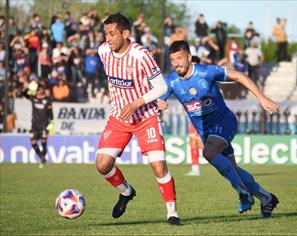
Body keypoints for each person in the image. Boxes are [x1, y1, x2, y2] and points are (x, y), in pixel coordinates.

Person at [158, 40, 280, 217]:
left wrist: (262, 98)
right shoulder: (171, 80)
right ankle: (267, 198)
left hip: (225, 122)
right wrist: (159, 104)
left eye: (179, 58)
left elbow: (240, 76)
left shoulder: (206, 72)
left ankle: (243, 193)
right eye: (172, 60)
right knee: (233, 169)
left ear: (189, 58)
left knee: (208, 153)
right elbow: (158, 99)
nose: (176, 63)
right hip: (208, 132)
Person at [96, 13, 181, 225]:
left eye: (112, 33)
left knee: (158, 166)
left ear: (126, 33)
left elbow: (161, 87)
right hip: (119, 117)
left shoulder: (141, 55)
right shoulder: (103, 51)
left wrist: (135, 103)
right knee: (102, 165)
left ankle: (172, 213)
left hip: (145, 117)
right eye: (106, 33)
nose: (108, 38)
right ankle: (126, 192)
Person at [23, 81, 54, 168]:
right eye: (37, 89)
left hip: (44, 125)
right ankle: (42, 158)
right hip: (35, 125)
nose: (38, 91)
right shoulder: (33, 98)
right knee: (33, 142)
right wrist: (31, 86)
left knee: (44, 143)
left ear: (43, 90)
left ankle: (42, 160)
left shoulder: (47, 100)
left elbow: (51, 114)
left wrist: (51, 125)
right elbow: (24, 93)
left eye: (39, 89)